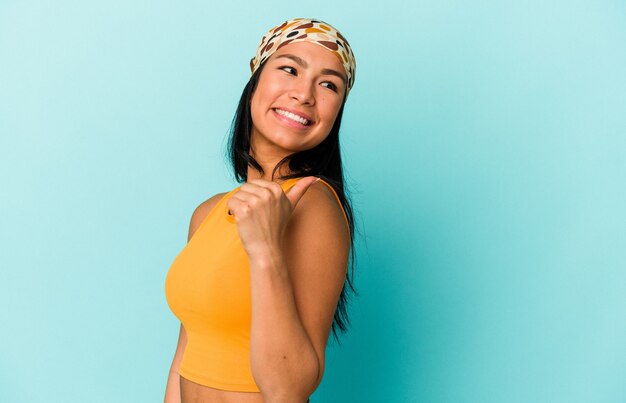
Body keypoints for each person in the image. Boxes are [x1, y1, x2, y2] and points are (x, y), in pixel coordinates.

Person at [164, 17, 358, 403]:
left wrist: (265, 250)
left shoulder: (312, 204)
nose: (304, 94)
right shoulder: (207, 213)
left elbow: (290, 389)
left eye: (329, 84)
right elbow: (185, 355)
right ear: (255, 81)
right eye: (289, 68)